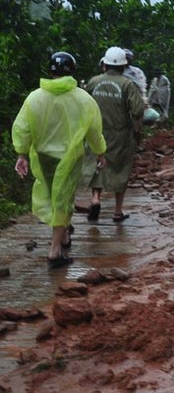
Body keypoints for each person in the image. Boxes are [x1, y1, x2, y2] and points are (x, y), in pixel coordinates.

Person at [12, 51, 107, 268]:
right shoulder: (83, 99)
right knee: (63, 199)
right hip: (70, 158)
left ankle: (63, 237)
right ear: (72, 70)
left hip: (44, 158)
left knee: (55, 198)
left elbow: (22, 128)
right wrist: (100, 153)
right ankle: (54, 252)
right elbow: (94, 131)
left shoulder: (34, 98)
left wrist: (21, 154)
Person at [85, 46, 145, 223]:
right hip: (120, 135)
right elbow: (138, 110)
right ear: (123, 66)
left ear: (105, 64)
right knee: (121, 169)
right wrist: (137, 131)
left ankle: (95, 198)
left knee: (97, 166)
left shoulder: (93, 82)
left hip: (96, 133)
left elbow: (84, 105)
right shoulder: (128, 85)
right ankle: (118, 211)